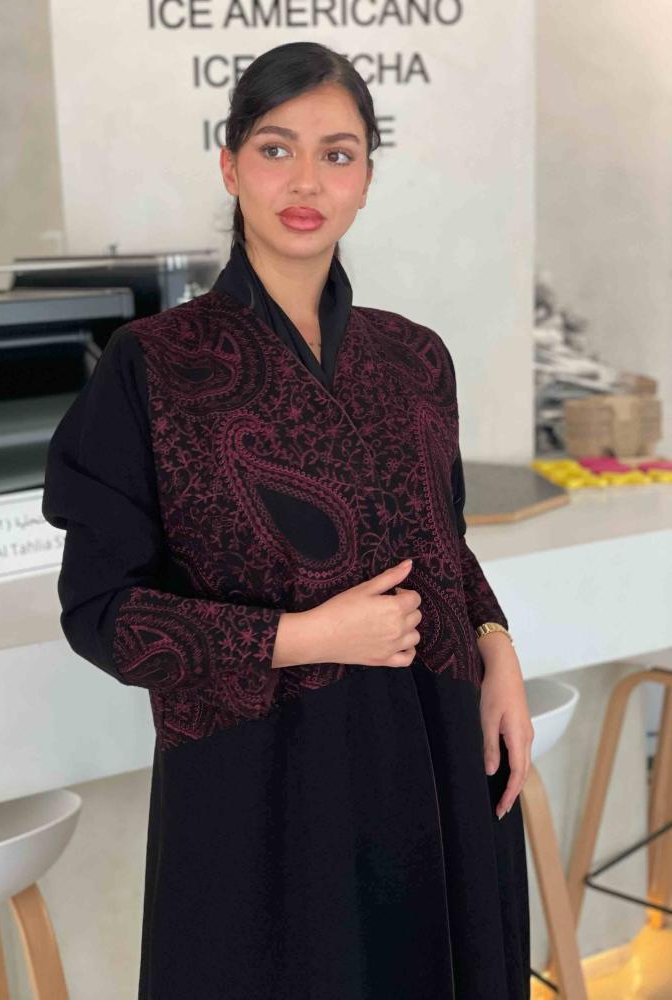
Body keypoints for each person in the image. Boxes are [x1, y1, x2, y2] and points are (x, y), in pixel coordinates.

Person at [42, 40, 533, 1000]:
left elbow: (445, 543)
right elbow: (102, 612)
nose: (306, 180)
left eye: (337, 154)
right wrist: (307, 637)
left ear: (367, 180)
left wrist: (497, 644)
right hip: (264, 791)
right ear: (230, 167)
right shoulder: (152, 365)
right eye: (276, 149)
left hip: (438, 760)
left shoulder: (415, 358)